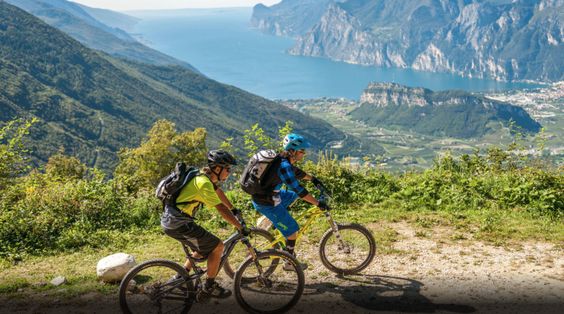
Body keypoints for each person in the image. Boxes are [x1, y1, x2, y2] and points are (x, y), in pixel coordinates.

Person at [161, 149, 245, 299]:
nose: (229, 172)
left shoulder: (203, 176)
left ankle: (180, 278)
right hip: (178, 224)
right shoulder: (204, 183)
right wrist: (239, 226)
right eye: (228, 169)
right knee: (218, 246)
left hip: (174, 220)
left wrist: (233, 208)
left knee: (204, 246)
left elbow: (218, 192)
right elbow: (220, 208)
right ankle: (209, 287)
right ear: (217, 169)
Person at [251, 133, 329, 270]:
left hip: (268, 195)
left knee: (292, 196)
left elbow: (297, 172)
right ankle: (289, 263)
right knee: (293, 232)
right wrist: (318, 203)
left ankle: (275, 221)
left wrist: (313, 179)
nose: (304, 153)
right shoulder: (284, 166)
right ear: (292, 151)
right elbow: (300, 190)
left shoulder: (282, 159)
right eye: (302, 151)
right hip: (267, 202)